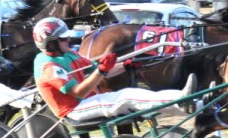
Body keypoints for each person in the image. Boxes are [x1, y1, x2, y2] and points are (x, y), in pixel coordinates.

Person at [32, 17, 198, 122]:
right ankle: (181, 100)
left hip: (90, 100)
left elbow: (99, 71)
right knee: (126, 97)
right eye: (63, 38)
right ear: (51, 43)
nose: (68, 39)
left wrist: (125, 66)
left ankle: (195, 103)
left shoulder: (68, 54)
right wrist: (102, 70)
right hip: (75, 109)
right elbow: (79, 92)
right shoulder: (49, 67)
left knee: (133, 97)